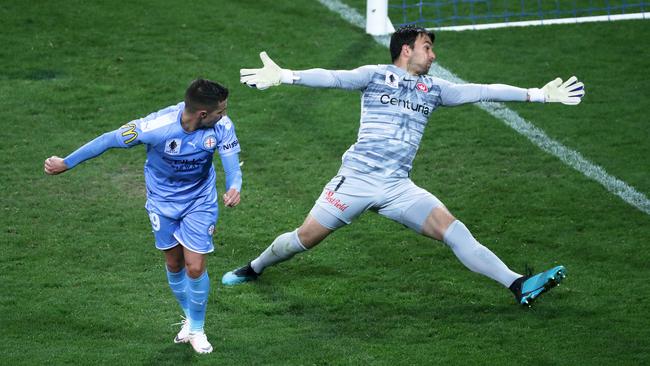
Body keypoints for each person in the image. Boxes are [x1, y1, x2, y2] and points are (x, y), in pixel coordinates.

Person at [222, 25, 584, 307]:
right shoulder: (375, 75)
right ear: (406, 49)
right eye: (428, 47)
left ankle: (517, 283)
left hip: (397, 186)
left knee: (454, 230)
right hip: (357, 181)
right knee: (303, 239)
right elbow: (333, 77)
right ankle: (255, 267)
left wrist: (539, 94)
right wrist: (286, 75)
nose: (433, 55)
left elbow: (484, 89)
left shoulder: (436, 89)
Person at [44, 79, 242, 353]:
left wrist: (234, 187)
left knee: (194, 266)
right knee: (174, 264)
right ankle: (190, 318)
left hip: (200, 201)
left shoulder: (222, 126)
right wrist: (66, 162)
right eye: (221, 111)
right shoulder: (155, 127)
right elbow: (108, 140)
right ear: (202, 114)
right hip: (162, 203)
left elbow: (232, 163)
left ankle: (197, 329)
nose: (225, 115)